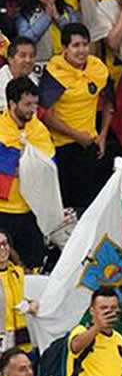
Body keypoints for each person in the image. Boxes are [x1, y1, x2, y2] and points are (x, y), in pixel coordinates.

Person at [38, 23, 111, 210]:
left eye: (85, 45)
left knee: (90, 204)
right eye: (76, 45)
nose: (82, 50)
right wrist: (76, 135)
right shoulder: (55, 72)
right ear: (65, 48)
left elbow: (109, 102)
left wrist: (102, 135)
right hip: (62, 147)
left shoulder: (97, 67)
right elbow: (46, 115)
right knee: (67, 205)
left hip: (90, 145)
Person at [0, 78, 54, 270]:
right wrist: (25, 162)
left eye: (35, 104)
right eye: (27, 104)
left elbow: (49, 164)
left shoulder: (39, 129)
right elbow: (6, 167)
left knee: (33, 265)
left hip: (31, 210)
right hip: (3, 210)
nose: (33, 109)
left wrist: (22, 164)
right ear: (12, 104)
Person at [66, 287, 122, 376]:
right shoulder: (81, 331)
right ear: (92, 311)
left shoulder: (119, 339)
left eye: (113, 308)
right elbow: (75, 346)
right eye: (103, 308)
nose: (109, 312)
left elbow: (116, 374)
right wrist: (97, 327)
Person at [15, 0, 81, 62]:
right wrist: (46, 17)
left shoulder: (68, 10)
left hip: (67, 64)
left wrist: (58, 18)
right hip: (39, 65)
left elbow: (76, 36)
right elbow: (25, 40)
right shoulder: (25, 13)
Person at [0, 38, 38, 112]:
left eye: (32, 56)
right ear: (10, 59)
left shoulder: (32, 78)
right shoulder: (1, 80)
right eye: (22, 56)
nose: (28, 60)